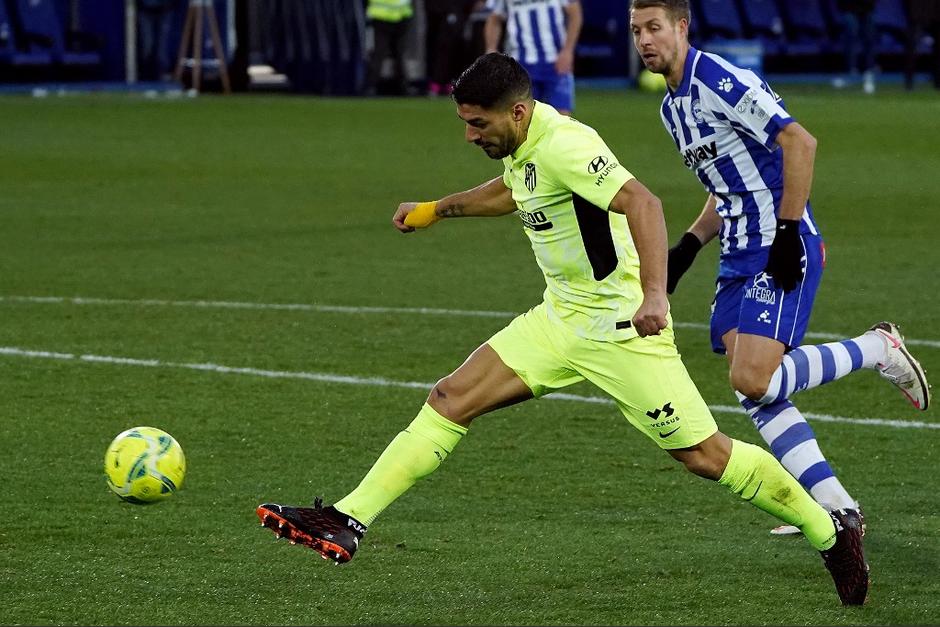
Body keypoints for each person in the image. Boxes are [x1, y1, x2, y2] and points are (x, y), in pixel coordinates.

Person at [257, 52, 870, 606]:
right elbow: (516, 190)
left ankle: (828, 530)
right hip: (559, 318)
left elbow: (644, 204)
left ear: (517, 112)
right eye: (465, 123)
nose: (470, 135)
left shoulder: (566, 144)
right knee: (449, 398)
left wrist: (655, 294)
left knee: (705, 456)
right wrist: (439, 209)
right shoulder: (526, 146)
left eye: (478, 124)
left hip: (620, 330)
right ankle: (348, 519)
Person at [628, 0, 930, 537]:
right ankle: (837, 506)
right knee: (753, 389)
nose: (644, 40)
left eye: (654, 27)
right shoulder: (671, 109)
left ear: (681, 26)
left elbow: (799, 141)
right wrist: (690, 246)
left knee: (753, 377)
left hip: (778, 243)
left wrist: (789, 231)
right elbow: (727, 183)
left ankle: (877, 348)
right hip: (736, 254)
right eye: (636, 31)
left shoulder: (719, 79)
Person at [483, 0, 582, 115]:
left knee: (561, 117)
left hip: (556, 62)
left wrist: (568, 51)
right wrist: (491, 49)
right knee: (522, 118)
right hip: (520, 65)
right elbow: (494, 18)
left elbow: (575, 14)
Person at [425, 0, 476, 96]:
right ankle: (438, 82)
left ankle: (449, 81)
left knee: (455, 47)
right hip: (440, 11)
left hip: (457, 10)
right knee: (442, 47)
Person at [365, 0, 414, 96]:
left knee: (395, 53)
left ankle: (372, 86)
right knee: (382, 53)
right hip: (384, 15)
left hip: (393, 14)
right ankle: (371, 85)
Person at [832, 0, 878, 94]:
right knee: (851, 37)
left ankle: (869, 72)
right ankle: (851, 72)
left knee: (869, 39)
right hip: (848, 7)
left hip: (867, 7)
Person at [904, 0, 940, 90]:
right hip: (917, 14)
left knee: (938, 51)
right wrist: (912, 13)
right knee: (912, 50)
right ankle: (909, 83)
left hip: (936, 15)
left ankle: (937, 81)